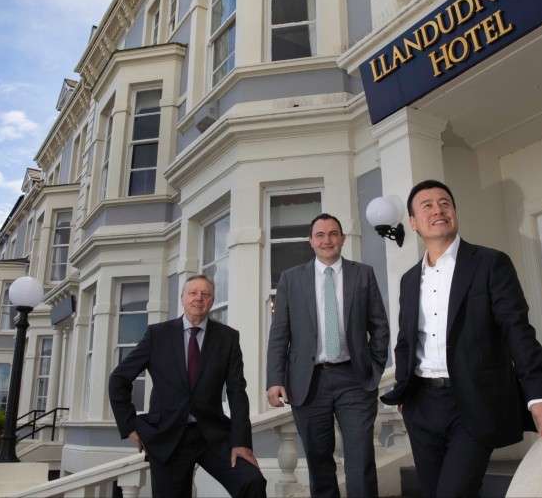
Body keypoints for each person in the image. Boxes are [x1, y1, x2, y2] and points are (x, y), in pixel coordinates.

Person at [380, 180, 542, 497]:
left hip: (473, 401)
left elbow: (517, 330)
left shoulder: (490, 263)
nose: (438, 210)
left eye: (445, 203)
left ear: (454, 213)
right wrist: (405, 395)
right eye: (427, 206)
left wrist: (539, 394)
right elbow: (406, 340)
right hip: (422, 405)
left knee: (454, 491)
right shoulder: (409, 280)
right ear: (413, 223)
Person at [109, 274, 267, 498]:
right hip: (168, 436)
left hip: (212, 435)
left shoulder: (227, 337)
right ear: (183, 298)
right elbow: (118, 379)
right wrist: (128, 425)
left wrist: (242, 442)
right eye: (193, 293)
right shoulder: (157, 335)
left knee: (251, 481)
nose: (198, 298)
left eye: (205, 294)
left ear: (212, 301)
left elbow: (237, 393)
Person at [266, 213, 390, 498]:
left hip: (354, 379)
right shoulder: (291, 279)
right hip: (308, 382)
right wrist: (274, 379)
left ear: (342, 239)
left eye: (333, 234)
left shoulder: (363, 274)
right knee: (319, 461)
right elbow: (279, 334)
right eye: (320, 235)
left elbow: (379, 327)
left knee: (361, 457)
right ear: (310, 241)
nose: (327, 240)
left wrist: (374, 367)